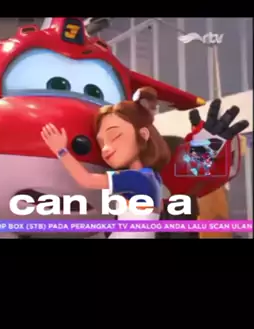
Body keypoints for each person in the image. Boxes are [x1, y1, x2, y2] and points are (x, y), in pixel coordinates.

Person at [41, 87, 171, 238]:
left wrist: (61, 151)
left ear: (143, 134)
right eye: (101, 144)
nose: (106, 149)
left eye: (115, 136)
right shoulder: (153, 177)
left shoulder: (136, 178)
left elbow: (86, 180)